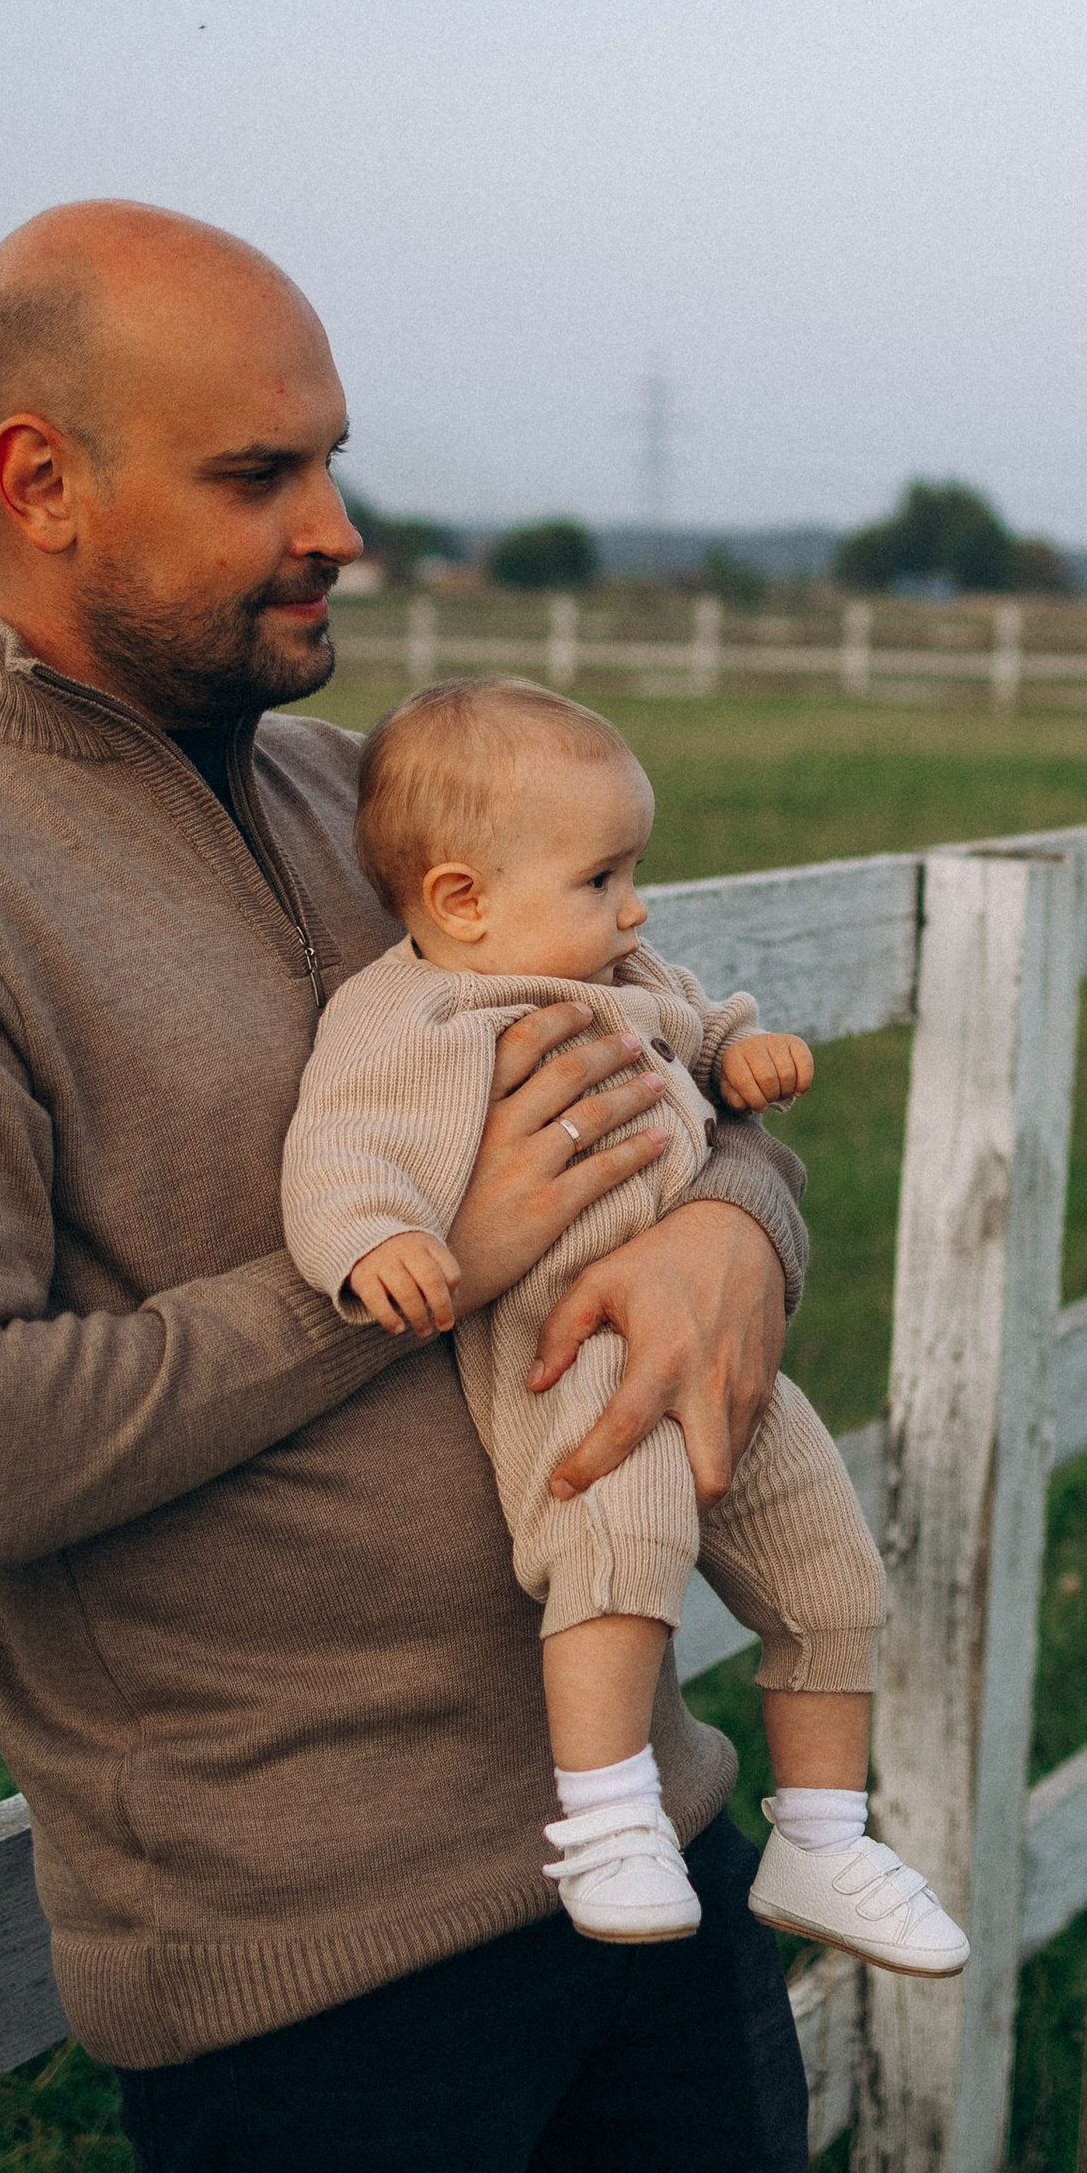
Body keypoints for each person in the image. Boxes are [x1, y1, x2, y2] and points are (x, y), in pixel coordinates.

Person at [0, 199, 840, 2173]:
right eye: (261, 472)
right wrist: (392, 1296)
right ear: (42, 482)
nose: (340, 522)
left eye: (334, 455)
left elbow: (671, 1102)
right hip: (293, 1922)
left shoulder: (380, 803)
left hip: (621, 1827)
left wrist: (719, 1249)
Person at [283, 672, 967, 1971]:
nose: (635, 907)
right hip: (568, 1355)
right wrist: (372, 1240)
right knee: (619, 1548)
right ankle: (605, 1822)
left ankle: (824, 1838)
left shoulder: (624, 966)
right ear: (462, 903)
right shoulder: (412, 1016)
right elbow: (338, 1153)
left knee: (833, 1569)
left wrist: (740, 1062)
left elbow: (698, 1034)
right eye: (603, 879)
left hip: (718, 1351)